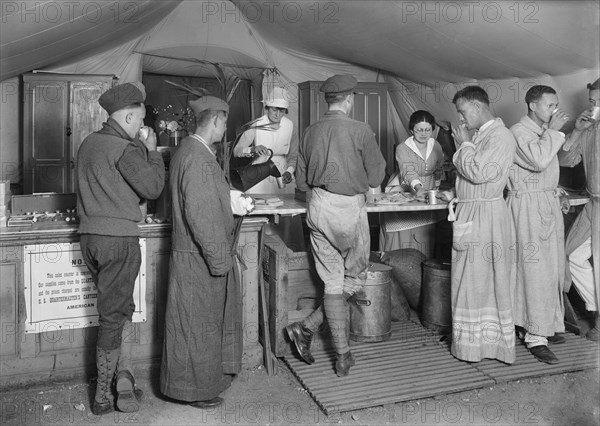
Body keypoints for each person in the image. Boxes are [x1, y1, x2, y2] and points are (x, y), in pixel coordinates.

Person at [288, 74, 386, 377]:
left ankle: (341, 354)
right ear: (349, 98)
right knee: (352, 278)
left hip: (317, 207)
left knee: (332, 280)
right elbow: (376, 178)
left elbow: (301, 181)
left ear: (327, 100)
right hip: (349, 210)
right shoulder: (360, 130)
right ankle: (309, 328)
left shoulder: (309, 131)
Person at [77, 82, 165, 414]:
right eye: (139, 120)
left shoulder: (88, 143)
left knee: (119, 309)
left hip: (90, 240)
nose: (141, 127)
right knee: (113, 317)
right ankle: (102, 395)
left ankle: (123, 380)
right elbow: (153, 187)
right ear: (128, 116)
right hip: (119, 242)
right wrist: (152, 149)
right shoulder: (124, 148)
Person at [160, 96, 242, 409]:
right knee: (195, 325)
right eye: (224, 122)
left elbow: (205, 201)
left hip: (193, 254)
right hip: (198, 258)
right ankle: (192, 390)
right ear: (217, 120)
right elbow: (202, 215)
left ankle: (196, 385)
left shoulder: (192, 151)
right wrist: (220, 261)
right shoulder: (198, 157)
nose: (225, 128)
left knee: (195, 324)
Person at [449, 86, 516, 364]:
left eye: (463, 112)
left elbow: (479, 172)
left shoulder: (500, 136)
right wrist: (456, 194)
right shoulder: (484, 135)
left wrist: (463, 143)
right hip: (474, 211)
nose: (462, 120)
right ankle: (472, 344)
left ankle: (485, 345)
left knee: (480, 279)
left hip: (485, 216)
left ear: (477, 106)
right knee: (472, 280)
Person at [507, 85, 570, 363]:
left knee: (552, 269)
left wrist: (559, 191)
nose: (554, 110)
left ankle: (543, 324)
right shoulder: (517, 132)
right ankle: (534, 335)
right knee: (534, 271)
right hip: (527, 207)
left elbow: (559, 163)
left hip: (545, 203)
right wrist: (555, 131)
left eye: (556, 105)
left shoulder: (543, 132)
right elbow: (539, 160)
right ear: (532, 106)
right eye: (549, 105)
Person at [559, 78, 600, 341]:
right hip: (594, 203)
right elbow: (565, 161)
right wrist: (576, 131)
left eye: (599, 102)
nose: (595, 107)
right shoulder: (586, 128)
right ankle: (596, 308)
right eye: (592, 102)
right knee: (571, 256)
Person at [381, 110, 446, 253]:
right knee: (404, 224)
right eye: (419, 130)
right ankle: (399, 261)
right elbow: (408, 172)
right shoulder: (402, 148)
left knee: (425, 228)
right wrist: (418, 188)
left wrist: (436, 188)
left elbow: (439, 169)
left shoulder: (436, 146)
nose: (423, 133)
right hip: (405, 188)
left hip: (429, 189)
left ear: (432, 130)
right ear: (411, 130)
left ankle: (422, 261)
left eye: (427, 130)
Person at [233, 86, 299, 194]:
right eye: (274, 109)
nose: (277, 114)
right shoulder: (256, 125)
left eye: (281, 110)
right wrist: (252, 149)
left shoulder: (290, 126)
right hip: (259, 172)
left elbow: (294, 155)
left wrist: (289, 171)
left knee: (283, 205)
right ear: (266, 107)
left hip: (281, 173)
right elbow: (237, 151)